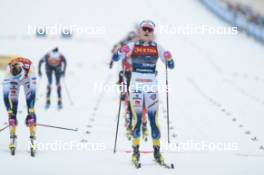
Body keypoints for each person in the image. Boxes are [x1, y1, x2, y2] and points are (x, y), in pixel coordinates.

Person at [112, 20, 175, 164]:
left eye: (149, 30)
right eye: (144, 29)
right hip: (136, 87)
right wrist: (120, 51)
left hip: (151, 87)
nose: (147, 32)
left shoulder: (158, 47)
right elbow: (116, 58)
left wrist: (169, 58)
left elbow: (171, 66)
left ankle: (157, 153)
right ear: (140, 31)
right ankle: (135, 152)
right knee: (137, 119)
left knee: (153, 120)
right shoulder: (132, 46)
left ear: (153, 32)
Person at [3, 57, 37, 154]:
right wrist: (10, 112)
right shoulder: (8, 73)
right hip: (13, 82)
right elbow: (5, 96)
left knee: (31, 109)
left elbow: (33, 94)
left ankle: (33, 138)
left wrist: (31, 110)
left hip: (27, 79)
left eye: (19, 77)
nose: (18, 79)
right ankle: (12, 137)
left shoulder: (30, 70)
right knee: (12, 108)